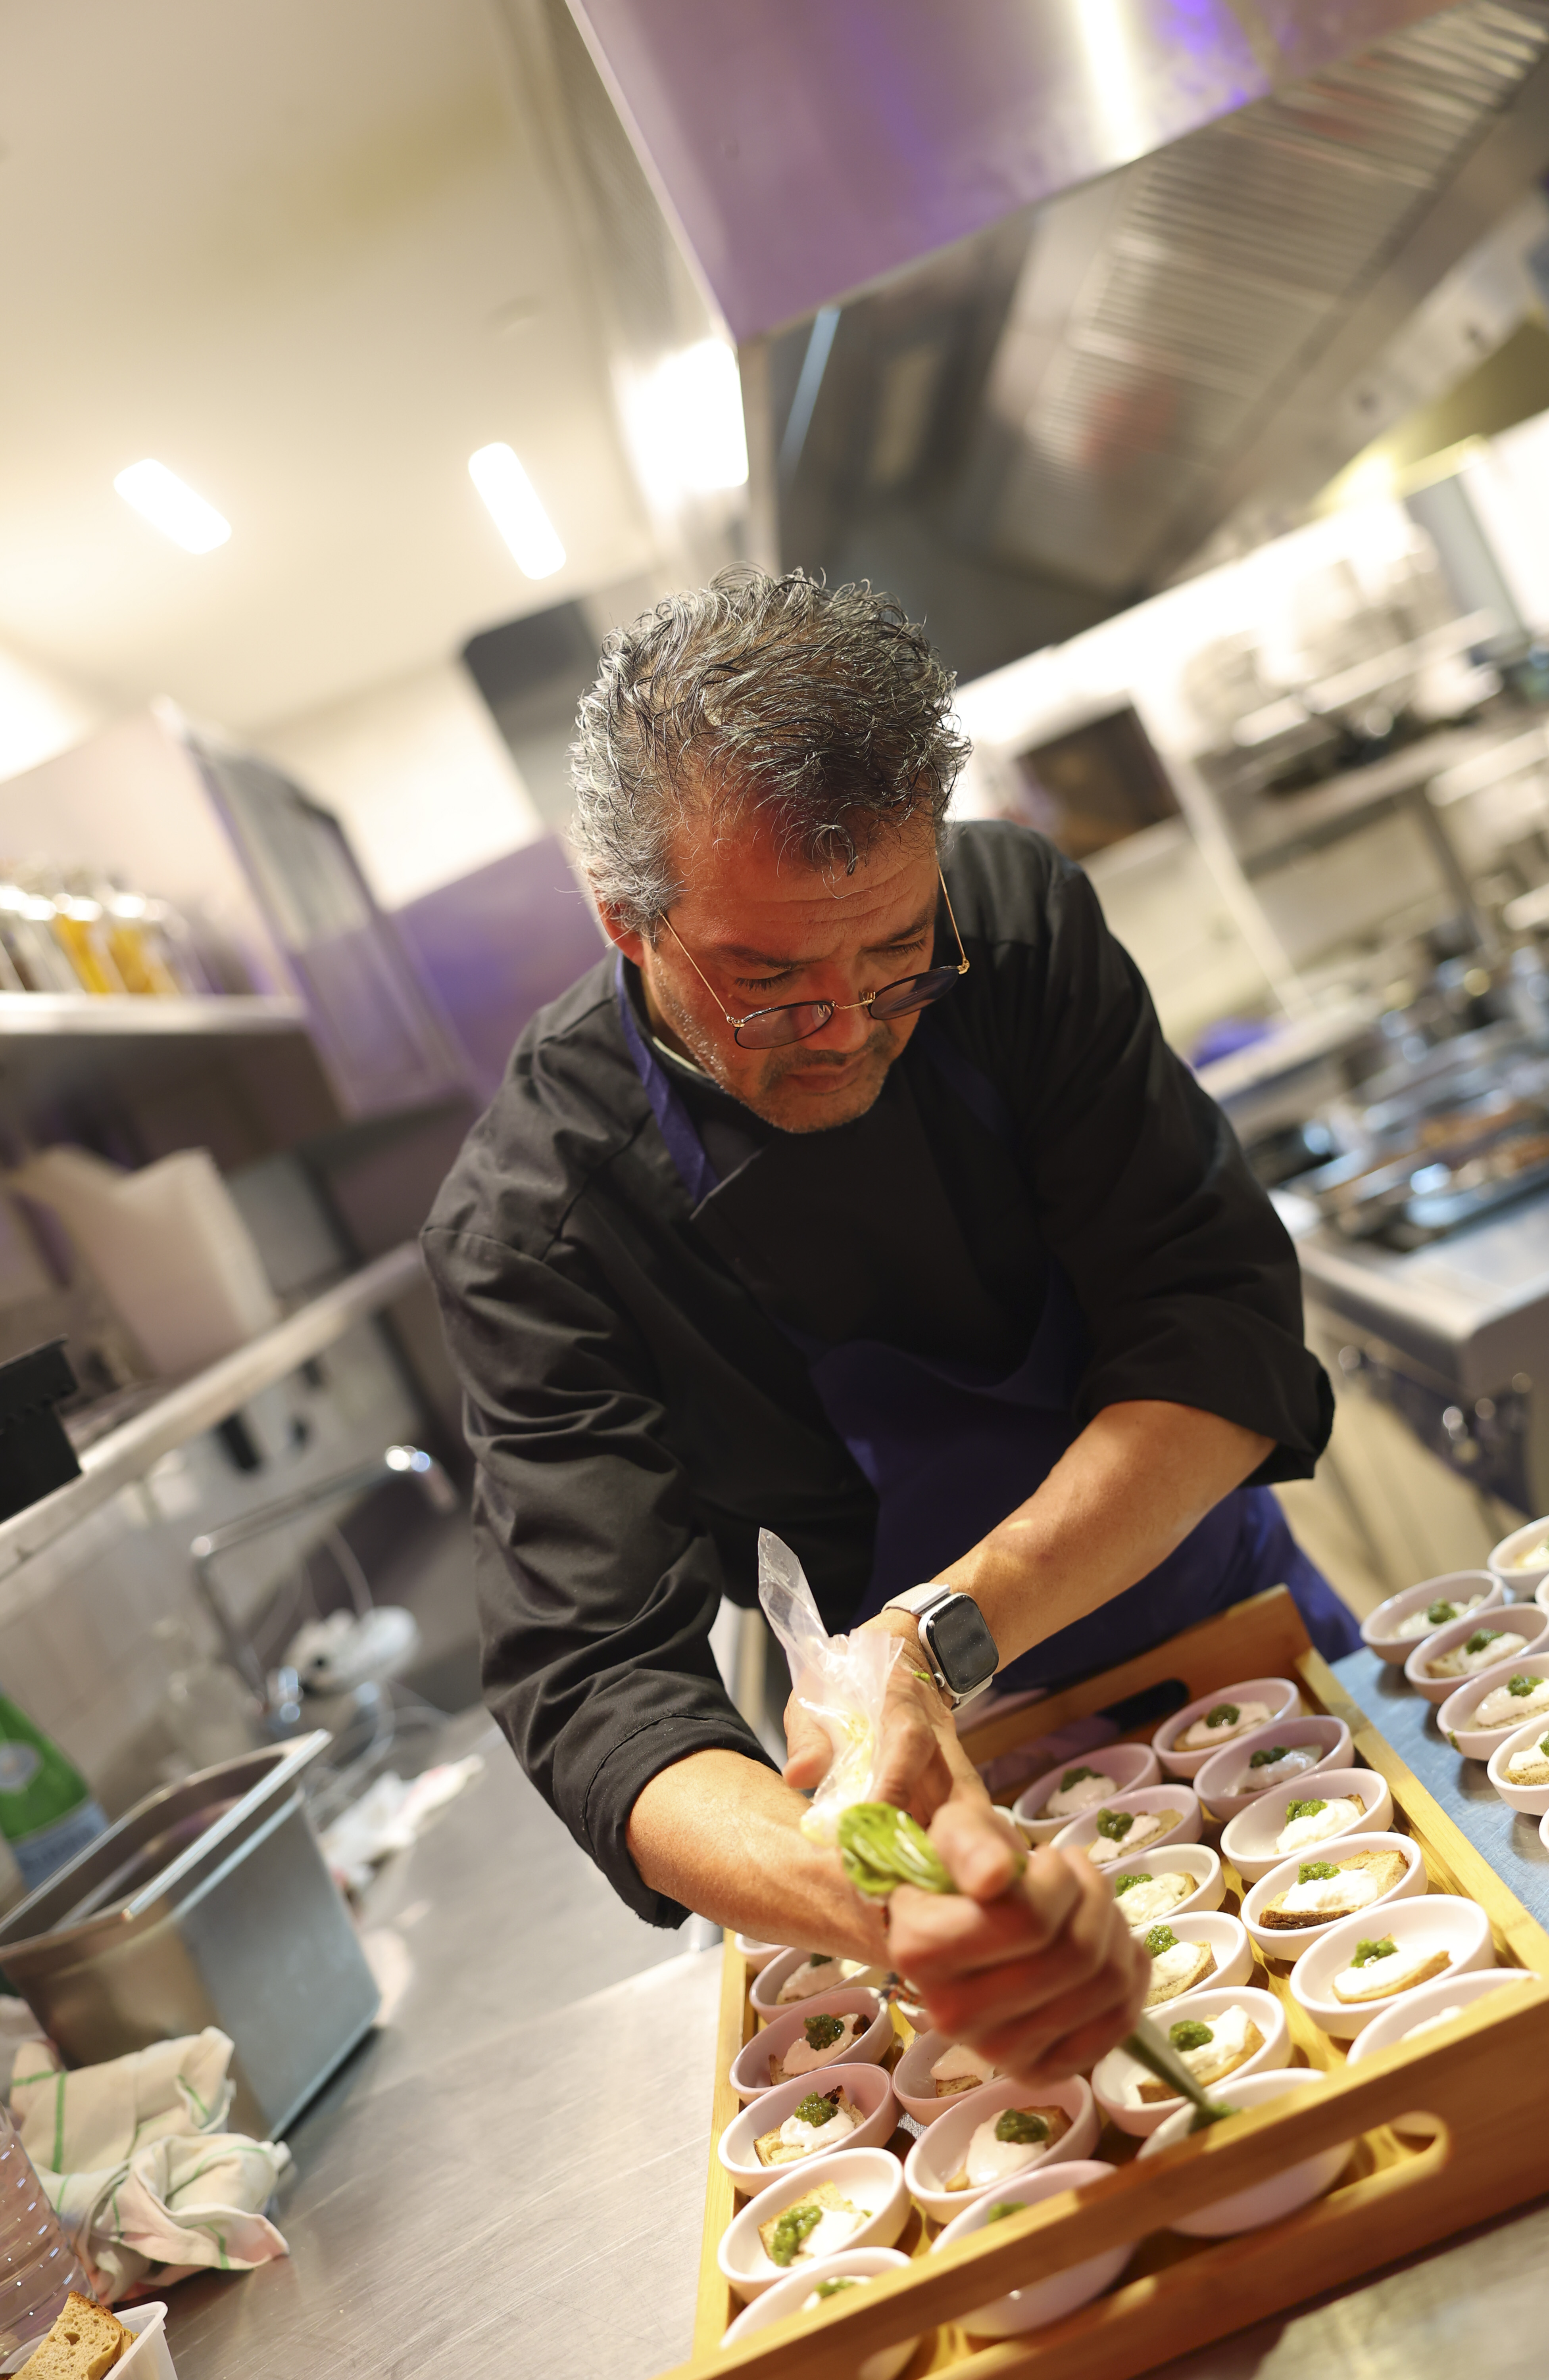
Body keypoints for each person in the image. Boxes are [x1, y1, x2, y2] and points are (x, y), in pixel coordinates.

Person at [423, 570, 1356, 2079]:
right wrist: (884, 1894)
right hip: (912, 1800)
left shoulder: (1017, 926)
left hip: (1226, 1638)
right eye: (770, 983)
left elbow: (1216, 1324)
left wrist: (936, 1640)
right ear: (625, 923)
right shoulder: (538, 1220)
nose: (851, 1028)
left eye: (895, 956)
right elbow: (596, 1683)